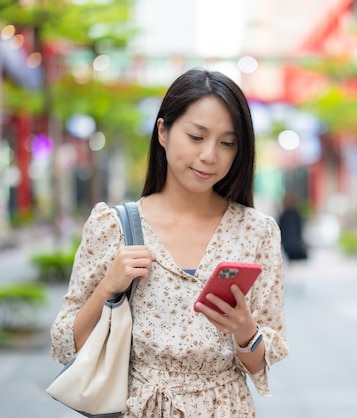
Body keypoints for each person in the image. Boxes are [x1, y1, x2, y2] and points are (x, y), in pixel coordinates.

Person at [50, 68, 289, 417]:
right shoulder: (113, 225)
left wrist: (244, 329)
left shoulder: (256, 231)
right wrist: (108, 287)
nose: (210, 155)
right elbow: (63, 343)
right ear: (163, 131)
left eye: (227, 143)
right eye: (196, 137)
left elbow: (259, 365)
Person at [277, 193, 308, 294]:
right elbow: (300, 229)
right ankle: (297, 280)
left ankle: (294, 280)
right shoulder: (296, 214)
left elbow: (280, 230)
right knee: (297, 264)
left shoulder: (284, 215)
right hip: (295, 242)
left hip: (287, 243)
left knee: (291, 263)